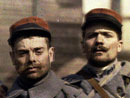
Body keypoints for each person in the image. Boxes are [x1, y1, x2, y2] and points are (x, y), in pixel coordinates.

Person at [6, 16, 87, 98]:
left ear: (51, 54)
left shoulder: (73, 96)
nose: (31, 59)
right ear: (13, 58)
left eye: (38, 52)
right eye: (23, 53)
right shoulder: (5, 95)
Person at [63, 8, 130, 98]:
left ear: (119, 45)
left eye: (107, 35)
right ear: (83, 46)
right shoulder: (65, 87)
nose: (99, 40)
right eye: (92, 35)